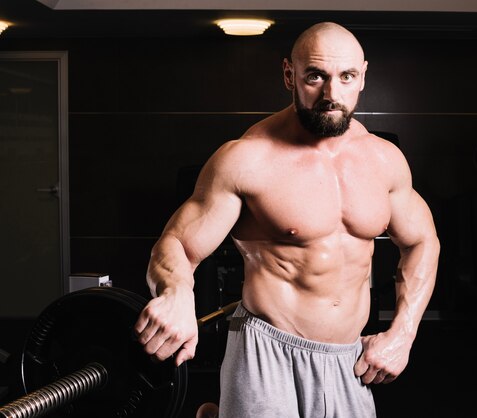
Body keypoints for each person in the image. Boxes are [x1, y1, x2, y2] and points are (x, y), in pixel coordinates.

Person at [134, 22, 440, 418]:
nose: (332, 94)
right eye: (315, 76)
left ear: (362, 76)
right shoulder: (246, 158)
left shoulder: (384, 160)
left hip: (348, 360)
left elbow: (422, 241)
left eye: (346, 77)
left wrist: (404, 333)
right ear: (288, 75)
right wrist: (176, 294)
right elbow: (175, 244)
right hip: (265, 348)